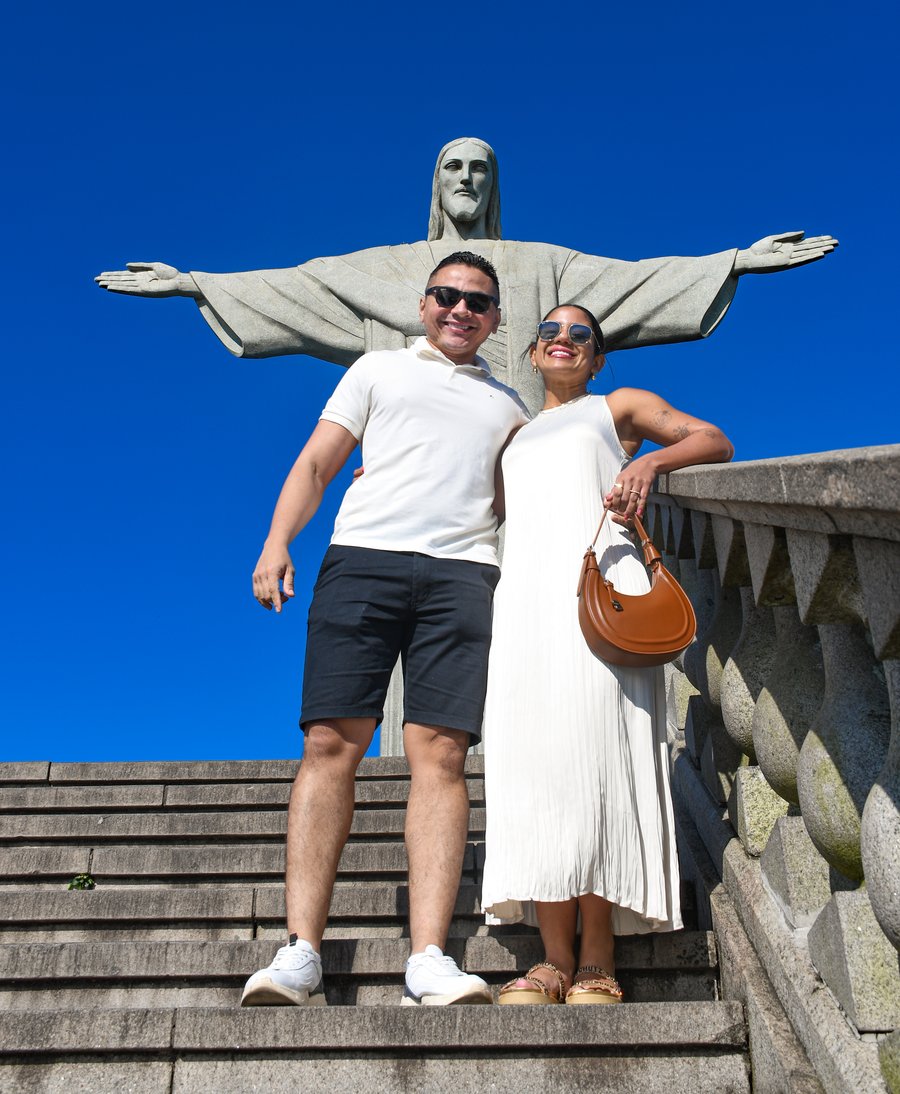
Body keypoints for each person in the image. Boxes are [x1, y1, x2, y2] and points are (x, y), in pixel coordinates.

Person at [241, 251, 528, 1008]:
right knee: (330, 741)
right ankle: (301, 951)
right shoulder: (376, 370)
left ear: (495, 317)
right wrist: (277, 542)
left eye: (477, 301)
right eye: (447, 296)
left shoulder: (509, 408)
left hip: (464, 574)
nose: (460, 310)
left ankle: (429, 957)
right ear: (424, 304)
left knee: (443, 754)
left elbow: (519, 504)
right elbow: (318, 462)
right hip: (363, 560)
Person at [94, 136, 837, 416]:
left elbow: (635, 283)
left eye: (481, 168)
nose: (467, 178)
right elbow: (300, 287)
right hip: (420, 473)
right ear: (435, 182)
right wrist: (195, 282)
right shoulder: (381, 268)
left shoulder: (545, 262)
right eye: (454, 166)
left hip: (524, 452)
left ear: (495, 185)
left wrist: (732, 260)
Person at [480, 303, 733, 1006]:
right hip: (525, 608)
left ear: (595, 357)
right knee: (538, 770)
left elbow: (713, 439)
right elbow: (485, 507)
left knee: (593, 760)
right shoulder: (516, 435)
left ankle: (599, 955)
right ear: (533, 355)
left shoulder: (617, 407)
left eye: (580, 336)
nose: (564, 341)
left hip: (599, 599)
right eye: (551, 334)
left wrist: (651, 459)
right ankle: (551, 958)